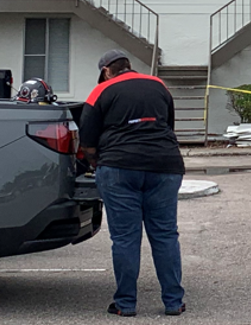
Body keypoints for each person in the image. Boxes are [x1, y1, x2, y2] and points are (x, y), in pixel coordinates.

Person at [80, 49, 186, 317]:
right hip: (165, 165)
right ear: (129, 66)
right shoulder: (159, 84)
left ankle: (126, 304)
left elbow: (87, 139)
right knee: (165, 234)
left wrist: (96, 163)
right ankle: (174, 302)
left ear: (106, 70)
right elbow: (168, 125)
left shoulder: (100, 91)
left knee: (125, 238)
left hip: (119, 168)